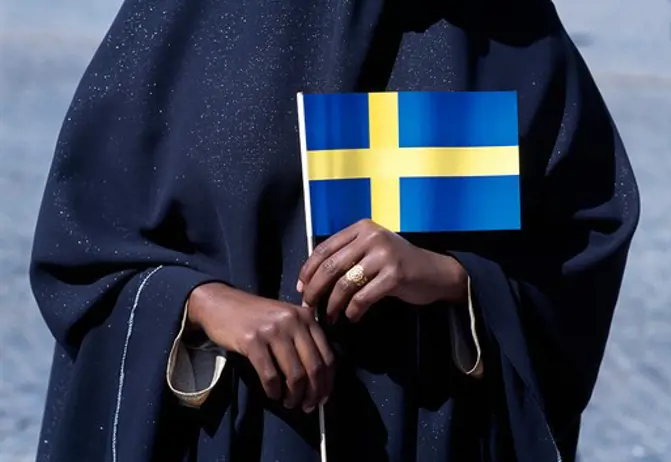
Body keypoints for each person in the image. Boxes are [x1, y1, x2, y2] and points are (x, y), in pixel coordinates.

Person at [30, 1, 639, 461]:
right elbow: (83, 247)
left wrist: (452, 277)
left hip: (432, 432)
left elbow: (583, 232)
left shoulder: (506, 23)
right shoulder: (190, 17)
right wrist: (202, 305)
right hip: (235, 434)